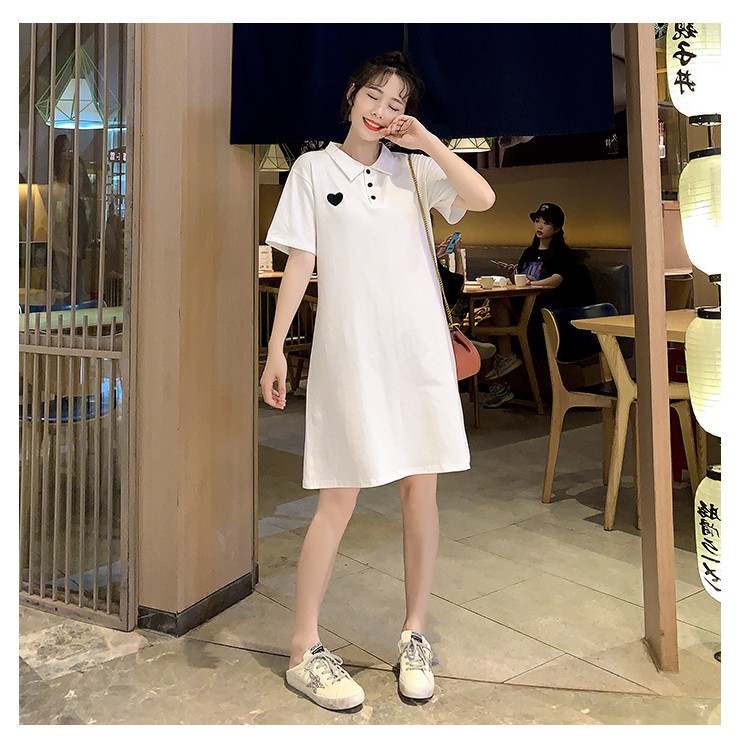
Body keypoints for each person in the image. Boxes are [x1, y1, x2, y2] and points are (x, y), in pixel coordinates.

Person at [260, 50, 495, 710]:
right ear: (351, 93)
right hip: (351, 355)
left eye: (397, 103)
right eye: (374, 95)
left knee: (421, 493)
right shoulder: (312, 169)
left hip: (418, 355)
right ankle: (302, 649)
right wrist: (275, 348)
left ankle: (414, 634)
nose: (382, 110)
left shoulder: (415, 169)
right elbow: (299, 263)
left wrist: (426, 140)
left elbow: (481, 198)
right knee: (337, 497)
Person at [483, 202, 590, 408]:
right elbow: (521, 278)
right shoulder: (529, 252)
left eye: (546, 223)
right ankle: (501, 383)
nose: (539, 226)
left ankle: (506, 360)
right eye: (537, 221)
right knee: (484, 326)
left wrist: (534, 284)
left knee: (496, 306)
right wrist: (515, 276)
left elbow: (556, 280)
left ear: (556, 229)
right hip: (522, 305)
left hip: (543, 309)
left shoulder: (562, 254)